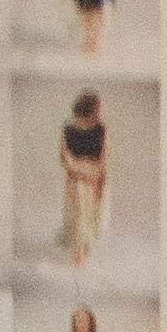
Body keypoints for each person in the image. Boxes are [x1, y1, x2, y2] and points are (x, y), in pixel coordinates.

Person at [56, 84, 107, 261]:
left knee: (92, 214)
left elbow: (104, 158)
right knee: (78, 214)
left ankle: (84, 251)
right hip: (76, 179)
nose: (99, 112)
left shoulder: (102, 129)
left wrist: (99, 180)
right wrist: (79, 173)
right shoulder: (67, 129)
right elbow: (65, 157)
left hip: (94, 178)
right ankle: (79, 254)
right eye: (97, 108)